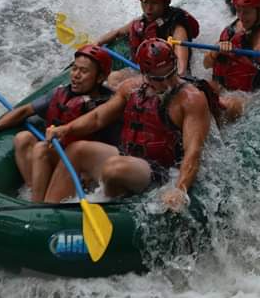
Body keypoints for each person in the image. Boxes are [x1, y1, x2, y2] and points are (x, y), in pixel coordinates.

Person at [44, 38, 212, 212]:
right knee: (76, 150)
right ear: (144, 72)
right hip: (128, 155)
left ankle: (108, 209)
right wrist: (65, 129)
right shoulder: (131, 88)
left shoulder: (191, 99)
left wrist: (179, 189)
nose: (167, 82)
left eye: (170, 74)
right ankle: (49, 213)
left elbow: (193, 153)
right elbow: (97, 118)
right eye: (158, 78)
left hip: (161, 172)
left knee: (114, 168)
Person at [0, 45, 117, 202]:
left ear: (100, 77)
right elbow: (25, 111)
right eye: (74, 68)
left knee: (42, 148)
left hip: (85, 170)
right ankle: (37, 193)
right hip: (60, 158)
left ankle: (37, 208)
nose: (76, 75)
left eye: (84, 71)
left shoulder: (108, 107)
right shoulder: (61, 93)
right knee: (23, 138)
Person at [94, 0, 200, 87]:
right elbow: (117, 33)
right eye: (145, 2)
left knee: (122, 83)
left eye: (154, 3)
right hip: (146, 72)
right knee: (114, 78)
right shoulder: (142, 22)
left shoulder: (177, 29)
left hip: (167, 76)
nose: (148, 8)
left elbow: (181, 69)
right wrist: (96, 43)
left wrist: (172, 83)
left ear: (165, 3)